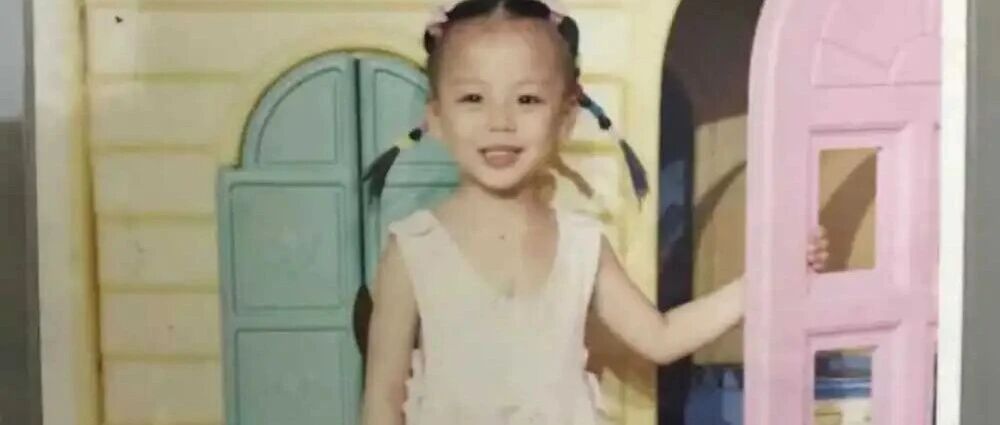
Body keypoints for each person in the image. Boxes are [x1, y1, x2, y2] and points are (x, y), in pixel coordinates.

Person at [359, 1, 829, 424]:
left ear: (565, 119)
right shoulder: (414, 249)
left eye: (527, 99)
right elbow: (382, 397)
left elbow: (660, 337)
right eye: (472, 99)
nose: (500, 121)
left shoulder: (580, 244)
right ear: (437, 118)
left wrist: (764, 279)